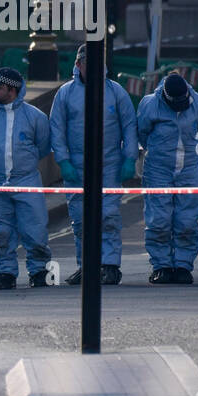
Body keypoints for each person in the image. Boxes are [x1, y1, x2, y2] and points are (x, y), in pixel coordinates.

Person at [49, 43, 138, 285]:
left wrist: (130, 158)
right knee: (80, 220)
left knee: (108, 216)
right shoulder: (65, 94)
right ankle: (86, 265)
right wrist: (63, 161)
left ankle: (109, 265)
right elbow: (56, 129)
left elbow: (129, 126)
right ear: (79, 65)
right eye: (89, 64)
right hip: (76, 167)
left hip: (109, 164)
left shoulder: (116, 92)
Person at [0, 67, 53, 289]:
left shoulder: (35, 117)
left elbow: (43, 145)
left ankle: (39, 270)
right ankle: (5, 272)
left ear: (11, 89)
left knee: (35, 229)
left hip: (26, 180)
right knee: (1, 231)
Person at [137, 71, 198, 284]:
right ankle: (161, 266)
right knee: (158, 219)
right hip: (158, 168)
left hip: (189, 167)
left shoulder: (197, 101)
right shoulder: (150, 104)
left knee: (187, 220)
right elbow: (142, 132)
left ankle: (183, 265)